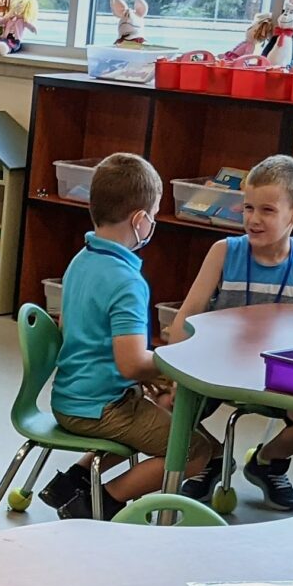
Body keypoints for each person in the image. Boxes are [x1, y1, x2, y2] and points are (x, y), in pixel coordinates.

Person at [45, 152, 217, 519]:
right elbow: (131, 361)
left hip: (71, 395)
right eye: (152, 216)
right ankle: (100, 503)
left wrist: (145, 376)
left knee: (147, 407)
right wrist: (170, 364)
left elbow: (71, 330)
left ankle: (73, 480)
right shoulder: (127, 281)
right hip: (98, 408)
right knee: (196, 449)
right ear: (140, 220)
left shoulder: (83, 258)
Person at [165, 153, 293, 512]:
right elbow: (187, 316)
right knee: (164, 409)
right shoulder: (223, 252)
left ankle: (268, 460)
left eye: (268, 211)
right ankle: (210, 459)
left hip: (280, 377)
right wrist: (175, 367)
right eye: (248, 208)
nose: (254, 220)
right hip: (216, 369)